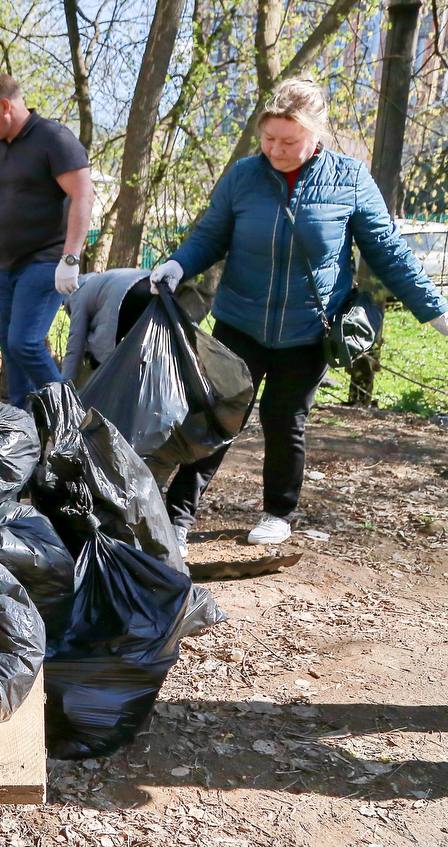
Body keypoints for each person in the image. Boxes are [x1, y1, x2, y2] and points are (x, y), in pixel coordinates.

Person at [149, 77, 448, 548]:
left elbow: (389, 254)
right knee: (214, 415)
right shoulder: (244, 177)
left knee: (285, 418)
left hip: (310, 328)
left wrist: (436, 312)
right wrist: (177, 263)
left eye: (288, 141)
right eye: (268, 138)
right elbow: (210, 234)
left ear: (316, 135)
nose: (276, 149)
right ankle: (176, 517)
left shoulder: (350, 180)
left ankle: (277, 512)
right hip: (240, 320)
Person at [0, 73, 93, 409]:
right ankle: (20, 423)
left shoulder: (53, 139)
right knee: (8, 344)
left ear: (5, 105)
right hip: (7, 265)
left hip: (46, 261)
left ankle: (71, 418)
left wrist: (71, 258)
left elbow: (83, 195)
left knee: (25, 343)